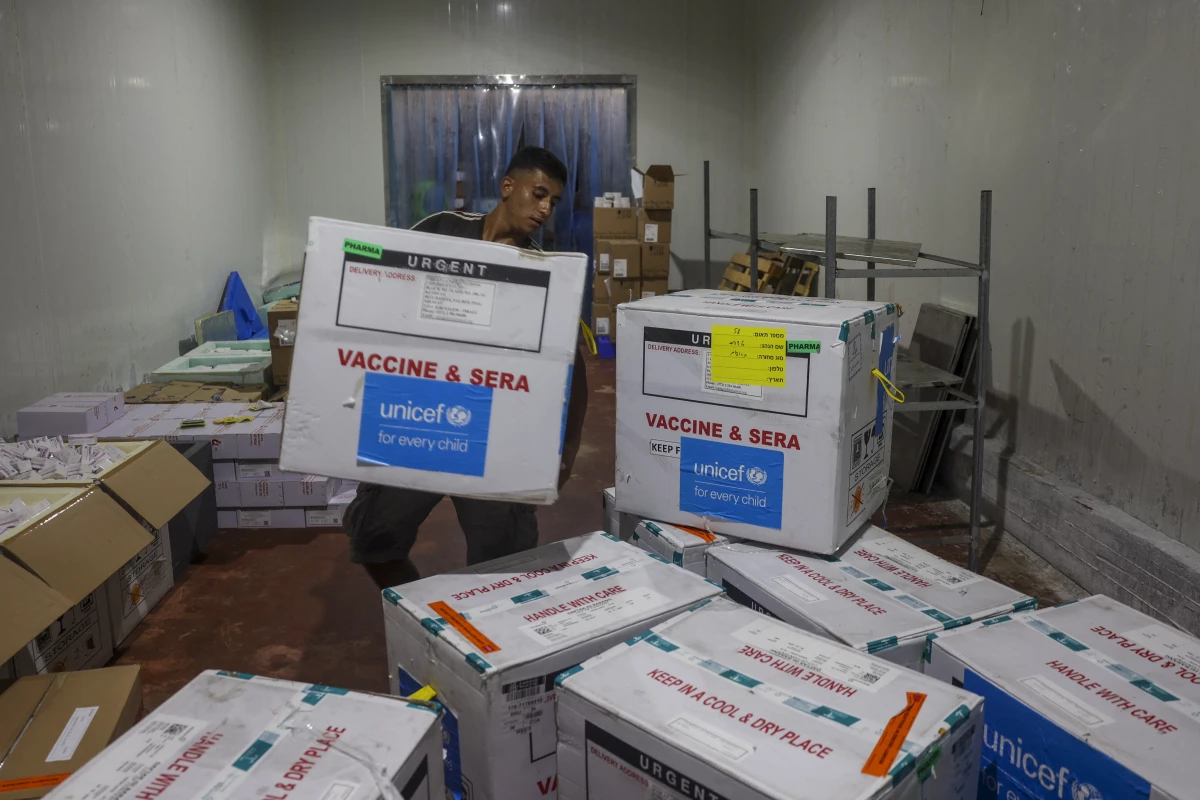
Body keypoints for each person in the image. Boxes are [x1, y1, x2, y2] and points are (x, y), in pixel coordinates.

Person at [344, 146, 589, 590]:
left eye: (553, 202)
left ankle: (483, 626)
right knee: (374, 537)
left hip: (492, 433)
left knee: (505, 561)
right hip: (417, 416)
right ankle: (417, 614)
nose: (545, 209)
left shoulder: (542, 273)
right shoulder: (442, 230)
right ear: (508, 186)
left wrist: (566, 451)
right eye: (538, 194)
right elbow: (381, 292)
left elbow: (572, 369)